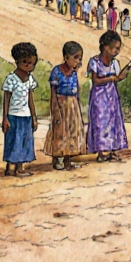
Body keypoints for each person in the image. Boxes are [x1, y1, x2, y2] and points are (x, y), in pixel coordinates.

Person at [87, 31, 131, 162]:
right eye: (115, 48)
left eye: (118, 48)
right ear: (106, 47)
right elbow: (95, 80)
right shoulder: (95, 62)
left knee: (113, 121)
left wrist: (121, 77)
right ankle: (101, 152)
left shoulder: (115, 63)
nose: (117, 51)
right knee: (100, 122)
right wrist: (111, 78)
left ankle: (112, 150)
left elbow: (116, 78)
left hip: (112, 96)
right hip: (99, 97)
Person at [44, 41, 86, 170]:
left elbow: (77, 89)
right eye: (75, 57)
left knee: (72, 132)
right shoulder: (57, 71)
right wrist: (55, 108)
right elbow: (53, 91)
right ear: (66, 57)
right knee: (60, 132)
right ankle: (58, 159)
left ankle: (68, 159)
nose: (78, 61)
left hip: (72, 105)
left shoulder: (73, 73)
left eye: (80, 58)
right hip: (61, 104)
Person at [1, 42, 39, 177]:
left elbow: (30, 99)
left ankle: (19, 167)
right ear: (17, 61)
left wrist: (34, 117)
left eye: (32, 63)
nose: (29, 66)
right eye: (25, 62)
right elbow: (6, 99)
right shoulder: (11, 79)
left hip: (26, 116)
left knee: (24, 141)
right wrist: (5, 118)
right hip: (13, 116)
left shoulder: (29, 80)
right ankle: (10, 167)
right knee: (13, 141)